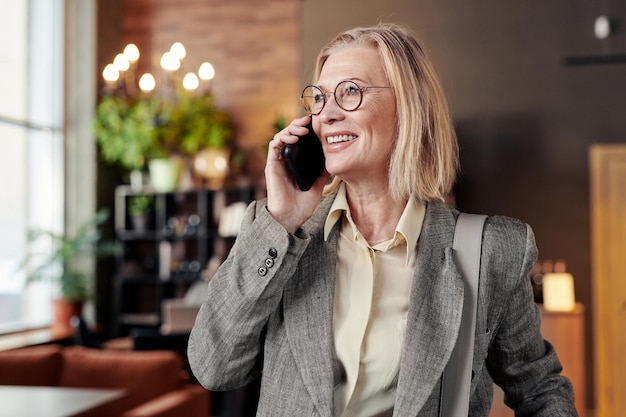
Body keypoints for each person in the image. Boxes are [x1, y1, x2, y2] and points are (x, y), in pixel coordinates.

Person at [188, 22, 578, 417]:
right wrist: (283, 220)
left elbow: (540, 389)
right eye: (319, 99)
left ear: (409, 107)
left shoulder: (491, 251)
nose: (327, 115)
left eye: (351, 92)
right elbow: (213, 368)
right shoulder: (278, 233)